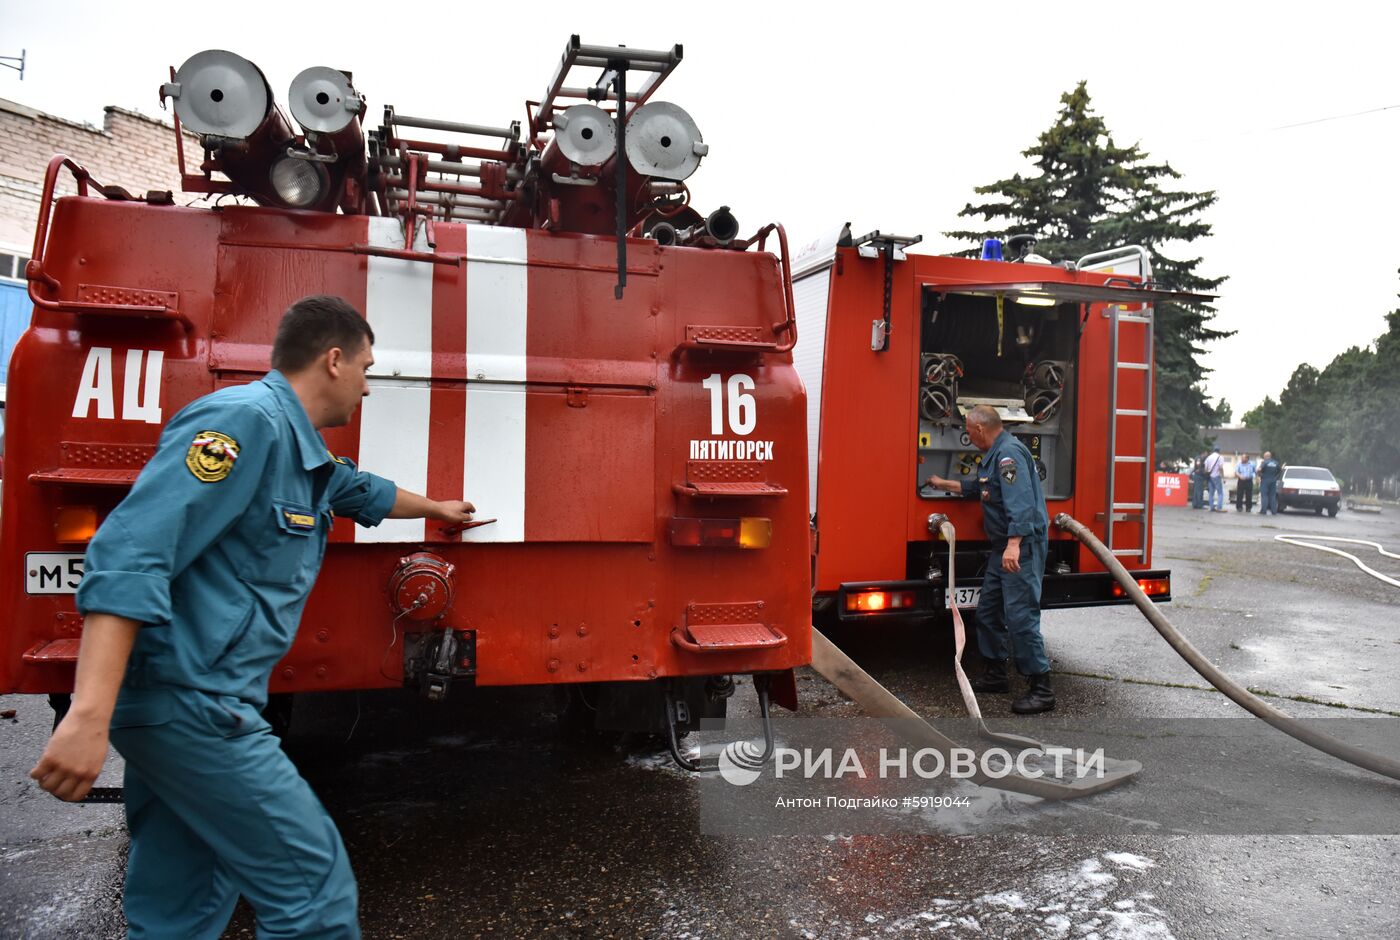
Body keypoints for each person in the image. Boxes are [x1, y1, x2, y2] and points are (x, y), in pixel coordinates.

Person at [29, 296, 475, 938]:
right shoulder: (241, 423)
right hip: (195, 706)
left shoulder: (303, 453)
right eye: (366, 367)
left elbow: (360, 490)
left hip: (186, 705)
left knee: (181, 906)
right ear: (333, 360)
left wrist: (439, 507)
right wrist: (87, 715)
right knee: (313, 896)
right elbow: (130, 556)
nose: (368, 386)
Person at [925, 405, 1054, 714]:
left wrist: (1013, 545)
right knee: (988, 611)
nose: (968, 437)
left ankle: (1042, 689)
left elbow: (1021, 504)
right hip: (1003, 548)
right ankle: (996, 674)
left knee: (1021, 617)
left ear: (980, 429)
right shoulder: (996, 455)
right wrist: (944, 484)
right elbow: (980, 489)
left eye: (968, 432)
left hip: (1018, 547)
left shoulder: (1009, 456)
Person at [1258, 451, 1282, 515]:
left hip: (1265, 480)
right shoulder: (1276, 463)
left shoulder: (1264, 462)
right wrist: (1276, 477)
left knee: (1264, 495)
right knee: (1272, 496)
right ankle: (1274, 511)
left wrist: (1260, 475)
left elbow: (1259, 470)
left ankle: (1263, 511)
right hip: (1273, 480)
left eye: (1264, 456)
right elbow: (1280, 470)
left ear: (1266, 456)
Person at [1204, 446, 1226, 512]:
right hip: (1217, 476)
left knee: (1211, 493)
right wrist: (1223, 477)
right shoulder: (1220, 457)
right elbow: (1221, 468)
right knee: (1220, 493)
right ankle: (1219, 507)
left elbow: (1206, 468)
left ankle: (1211, 507)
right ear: (1219, 451)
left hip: (1210, 477)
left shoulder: (1208, 457)